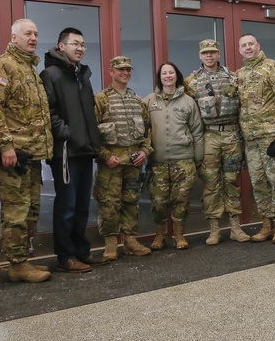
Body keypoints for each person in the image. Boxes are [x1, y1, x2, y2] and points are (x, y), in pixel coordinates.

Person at [0, 18, 54, 284]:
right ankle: (17, 264)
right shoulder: (2, 67)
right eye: (27, 34)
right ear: (13, 38)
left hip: (31, 156)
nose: (33, 38)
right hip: (11, 157)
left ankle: (23, 261)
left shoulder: (29, 69)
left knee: (31, 211)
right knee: (16, 213)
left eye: (36, 33)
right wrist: (5, 146)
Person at [40, 27, 104, 273]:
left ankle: (81, 252)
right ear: (61, 46)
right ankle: (65, 256)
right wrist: (67, 134)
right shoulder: (51, 74)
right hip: (66, 151)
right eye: (75, 43)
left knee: (81, 205)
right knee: (66, 205)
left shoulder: (82, 75)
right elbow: (49, 112)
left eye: (83, 44)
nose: (80, 48)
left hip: (85, 150)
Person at [184, 39, 249, 245]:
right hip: (209, 137)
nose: (209, 56)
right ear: (200, 56)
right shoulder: (191, 82)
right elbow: (188, 113)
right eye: (205, 53)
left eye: (213, 52)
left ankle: (235, 228)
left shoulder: (233, 77)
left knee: (231, 180)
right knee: (211, 182)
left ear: (218, 54)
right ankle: (214, 230)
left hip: (231, 136)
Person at [236, 33, 275, 243]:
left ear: (258, 45)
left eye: (251, 43)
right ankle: (266, 224)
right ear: (240, 50)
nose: (248, 47)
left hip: (272, 137)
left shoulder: (273, 67)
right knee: (258, 182)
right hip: (251, 139)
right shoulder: (240, 74)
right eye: (244, 45)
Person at [93, 55, 153, 260]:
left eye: (128, 69)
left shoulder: (137, 101)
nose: (125, 73)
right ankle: (110, 244)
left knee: (131, 202)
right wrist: (105, 155)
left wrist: (145, 152)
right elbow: (92, 134)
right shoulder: (101, 100)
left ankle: (130, 241)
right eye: (121, 70)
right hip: (110, 163)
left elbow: (147, 132)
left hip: (133, 162)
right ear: (111, 72)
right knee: (109, 204)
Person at [143, 62, 204, 250]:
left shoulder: (188, 102)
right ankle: (159, 236)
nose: (168, 76)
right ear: (159, 77)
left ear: (176, 76)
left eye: (171, 72)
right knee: (158, 202)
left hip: (183, 160)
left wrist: (198, 158)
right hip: (157, 162)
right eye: (164, 73)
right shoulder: (149, 101)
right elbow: (142, 130)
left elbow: (197, 131)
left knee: (181, 200)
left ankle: (179, 235)